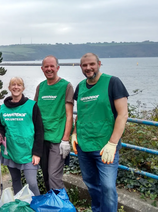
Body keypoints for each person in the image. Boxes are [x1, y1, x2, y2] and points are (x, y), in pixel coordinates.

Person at [72, 53, 128, 212]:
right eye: (84, 65)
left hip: (105, 147)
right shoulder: (80, 87)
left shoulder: (113, 82)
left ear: (99, 64)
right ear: (81, 67)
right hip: (84, 146)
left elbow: (123, 115)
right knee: (92, 185)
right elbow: (81, 114)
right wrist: (75, 133)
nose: (88, 68)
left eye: (91, 64)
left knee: (108, 187)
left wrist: (112, 143)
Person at [0, 77, 44, 196]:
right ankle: (19, 205)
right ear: (9, 88)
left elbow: (39, 130)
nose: (16, 87)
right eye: (13, 85)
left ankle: (37, 207)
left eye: (19, 85)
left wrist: (37, 153)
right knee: (16, 181)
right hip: (10, 150)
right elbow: (0, 125)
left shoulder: (32, 106)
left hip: (28, 151)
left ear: (23, 88)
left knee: (31, 183)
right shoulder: (3, 107)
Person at [34, 55, 74, 191]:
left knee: (54, 176)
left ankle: (61, 205)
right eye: (46, 66)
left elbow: (69, 115)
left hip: (57, 138)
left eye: (52, 66)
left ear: (57, 68)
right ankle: (51, 203)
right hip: (42, 138)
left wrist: (66, 139)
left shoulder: (66, 86)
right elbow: (35, 112)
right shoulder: (41, 87)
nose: (49, 69)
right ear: (42, 69)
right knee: (45, 175)